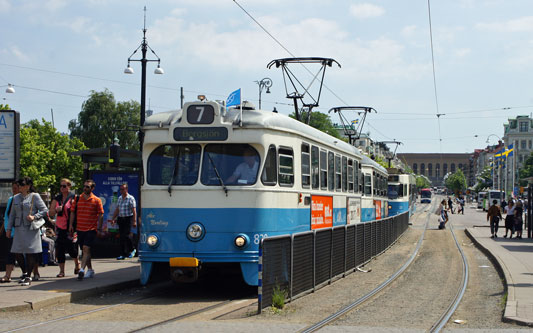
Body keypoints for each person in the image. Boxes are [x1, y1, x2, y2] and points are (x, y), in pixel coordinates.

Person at [6, 177, 48, 286]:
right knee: (17, 251)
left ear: (28, 186)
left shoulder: (35, 196)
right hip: (19, 228)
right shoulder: (15, 198)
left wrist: (34, 216)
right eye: (19, 185)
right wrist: (9, 228)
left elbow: (44, 210)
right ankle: (24, 272)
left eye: (21, 185)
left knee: (30, 252)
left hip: (30, 228)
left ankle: (29, 276)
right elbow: (12, 215)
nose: (19, 187)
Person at [69, 179, 104, 280]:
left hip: (91, 228)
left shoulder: (97, 200)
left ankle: (81, 270)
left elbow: (101, 214)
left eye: (87, 187)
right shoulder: (78, 198)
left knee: (86, 248)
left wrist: (99, 228)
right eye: (84, 186)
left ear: (92, 188)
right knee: (85, 251)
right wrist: (71, 224)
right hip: (80, 228)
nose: (85, 188)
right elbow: (72, 212)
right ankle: (90, 270)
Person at [49, 178, 80, 277]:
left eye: (64, 186)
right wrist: (56, 210)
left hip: (70, 227)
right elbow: (50, 213)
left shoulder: (73, 197)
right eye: (61, 186)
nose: (62, 188)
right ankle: (62, 271)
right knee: (60, 248)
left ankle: (77, 263)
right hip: (59, 227)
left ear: (69, 186)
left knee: (72, 248)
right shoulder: (57, 198)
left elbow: (76, 212)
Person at [0, 181, 26, 283]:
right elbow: (8, 216)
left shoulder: (22, 200)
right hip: (9, 231)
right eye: (13, 188)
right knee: (10, 253)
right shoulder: (11, 199)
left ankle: (26, 272)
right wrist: (3, 228)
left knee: (17, 254)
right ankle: (8, 275)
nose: (14, 190)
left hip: (18, 231)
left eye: (16, 188)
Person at [112, 183, 137, 260]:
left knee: (126, 235)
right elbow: (117, 209)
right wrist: (113, 218)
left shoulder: (130, 198)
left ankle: (132, 249)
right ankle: (122, 254)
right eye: (121, 189)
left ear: (126, 189)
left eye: (123, 189)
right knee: (121, 237)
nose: (121, 191)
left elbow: (134, 210)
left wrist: (134, 221)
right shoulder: (119, 198)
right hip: (121, 218)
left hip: (128, 218)